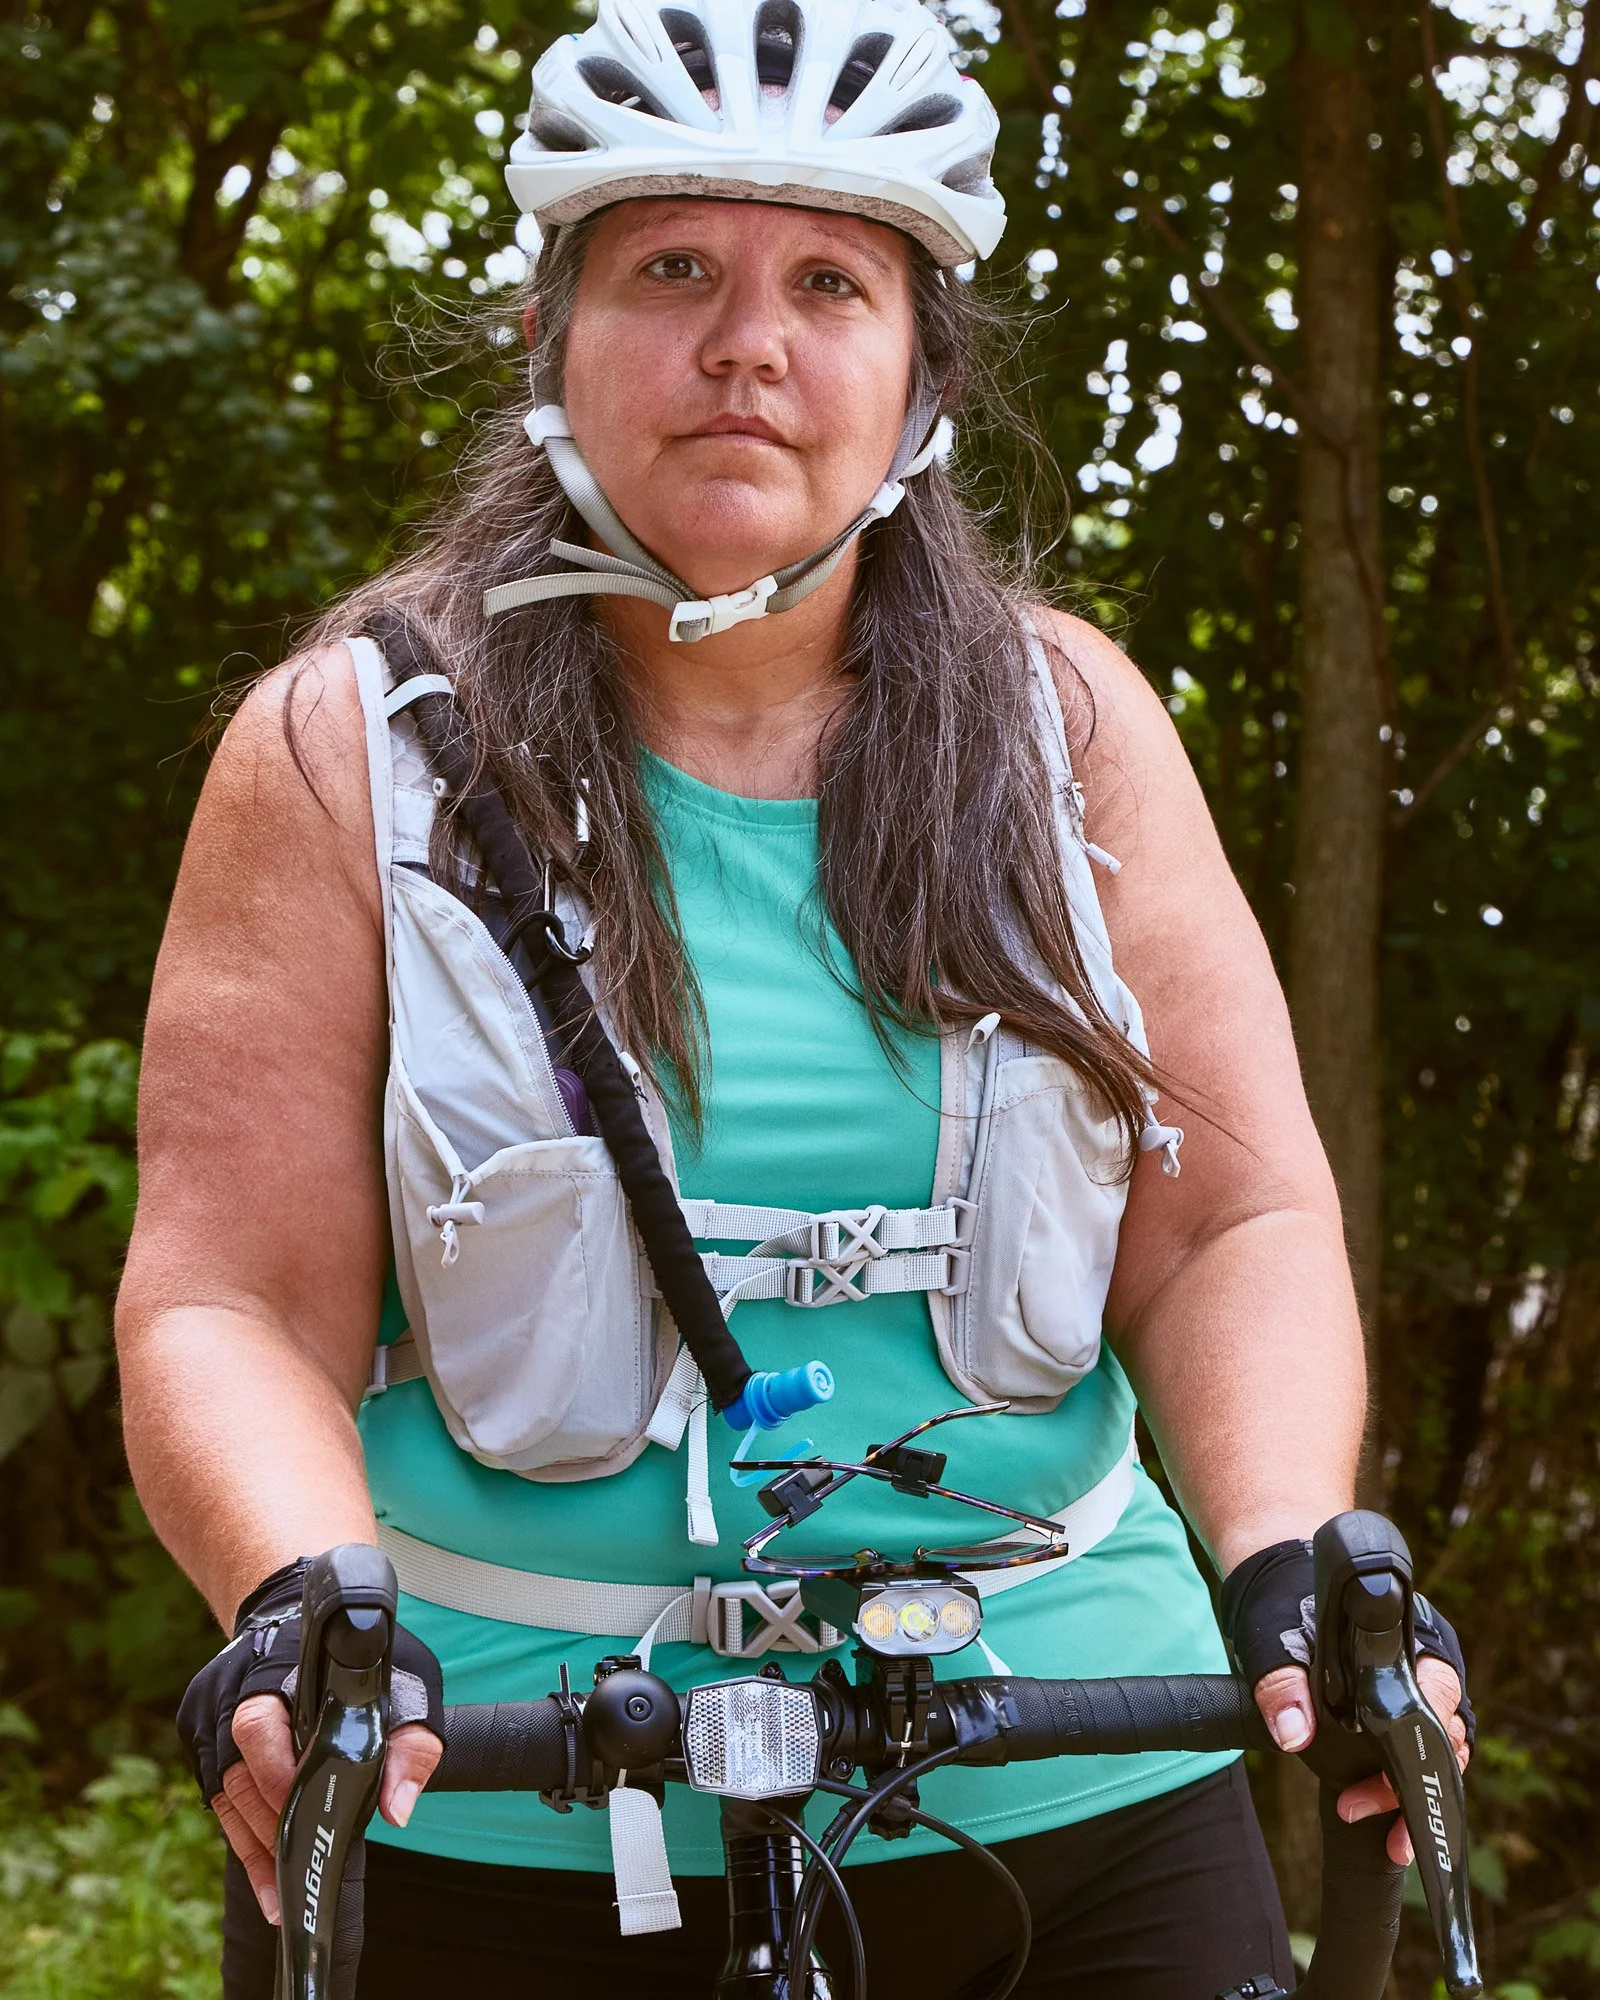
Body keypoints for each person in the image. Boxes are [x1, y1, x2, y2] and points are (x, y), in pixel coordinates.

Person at [116, 1, 1471, 1994]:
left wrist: (1286, 1550)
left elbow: (1228, 1222)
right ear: (548, 335)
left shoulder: (1063, 726)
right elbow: (227, 1292)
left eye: (826, 280)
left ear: (918, 363)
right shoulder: (343, 753)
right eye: (670, 267)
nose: (744, 341)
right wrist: (302, 1604)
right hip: (488, 1796)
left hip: (1068, 1770)